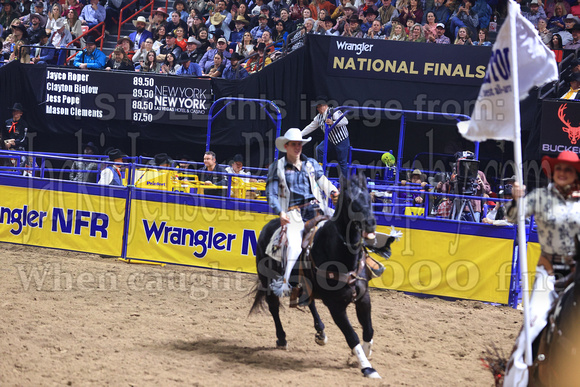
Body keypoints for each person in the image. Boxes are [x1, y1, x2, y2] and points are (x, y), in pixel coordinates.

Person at [503, 151, 580, 386]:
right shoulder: (539, 197)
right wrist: (516, 199)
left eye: (569, 169)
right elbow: (512, 217)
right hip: (548, 276)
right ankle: (512, 381)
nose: (563, 173)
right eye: (560, 169)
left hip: (577, 277)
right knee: (531, 329)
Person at [265, 128, 339, 296]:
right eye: (294, 144)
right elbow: (271, 193)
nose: (297, 147)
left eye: (299, 144)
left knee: (346, 224)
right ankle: (286, 281)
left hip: (317, 207)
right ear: (286, 146)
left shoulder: (311, 163)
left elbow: (323, 182)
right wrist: (280, 212)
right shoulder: (277, 168)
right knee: (294, 244)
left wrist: (334, 193)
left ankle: (360, 263)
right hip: (293, 212)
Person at [301, 95, 350, 177]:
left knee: (342, 162)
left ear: (325, 106)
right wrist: (299, 134)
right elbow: (310, 127)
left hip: (342, 140)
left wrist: (333, 122)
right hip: (330, 140)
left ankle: (345, 184)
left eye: (319, 107)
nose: (317, 109)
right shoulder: (318, 117)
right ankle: (322, 172)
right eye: (317, 107)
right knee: (320, 149)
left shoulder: (334, 111)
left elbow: (345, 121)